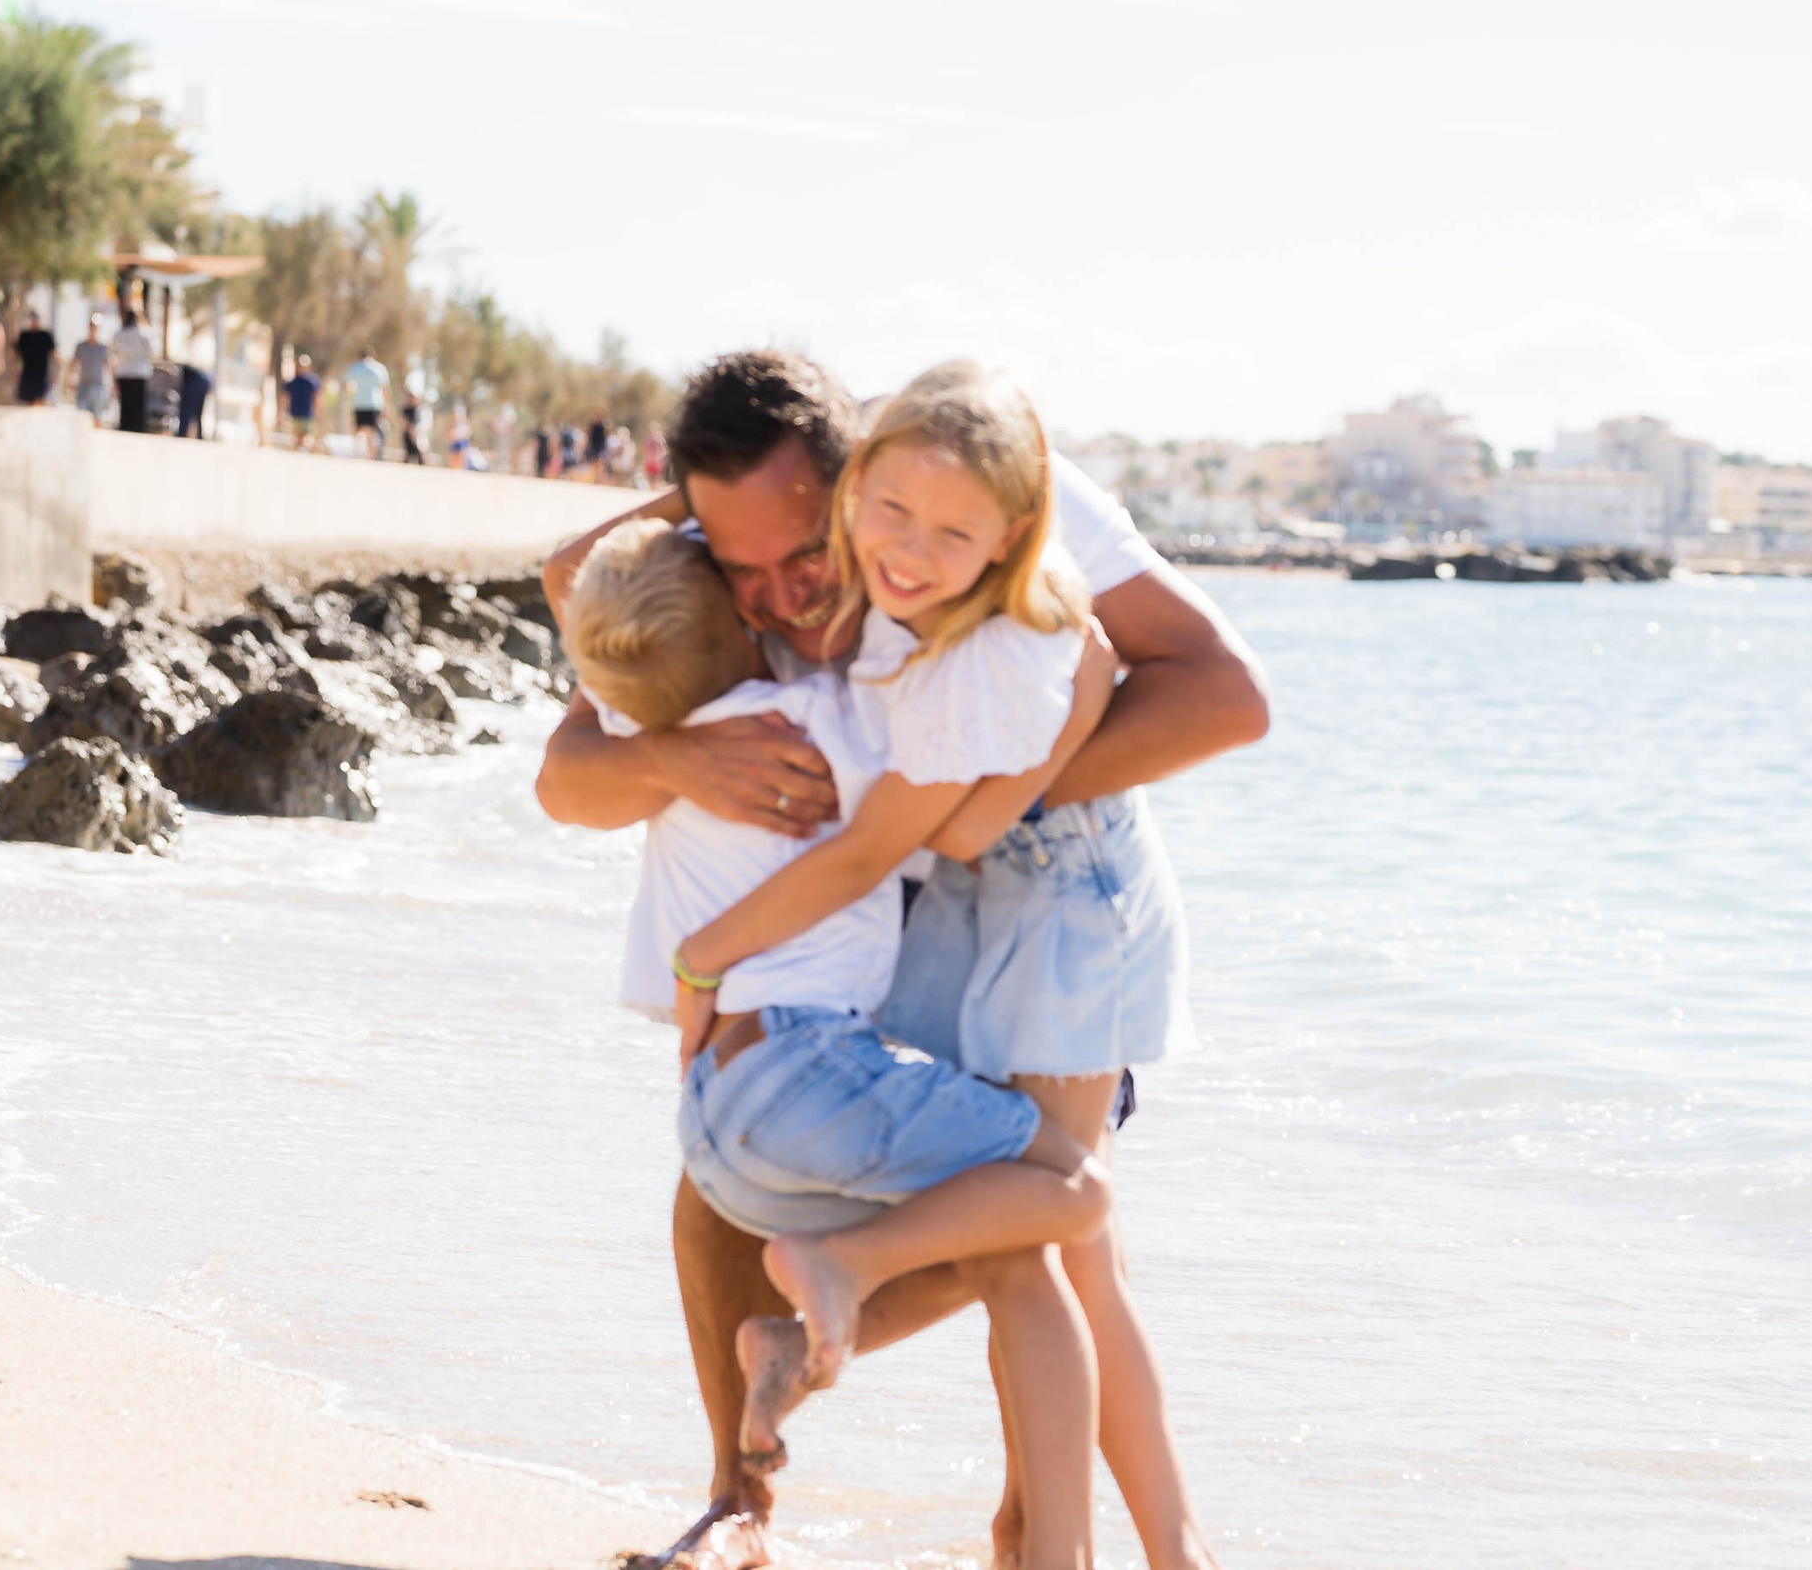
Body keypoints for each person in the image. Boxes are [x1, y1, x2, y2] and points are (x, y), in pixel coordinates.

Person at [536, 351, 1270, 1570]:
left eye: (803, 555)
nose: (779, 599)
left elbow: (1224, 697)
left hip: (1016, 879)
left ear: (849, 476)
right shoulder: (721, 559)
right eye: (741, 567)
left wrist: (974, 795)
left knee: (1047, 1224)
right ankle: (739, 1501)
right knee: (735, 1180)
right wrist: (673, 758)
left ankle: (1057, 1537)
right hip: (859, 899)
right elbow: (566, 740)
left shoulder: (991, 494)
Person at [564, 517, 1115, 1570]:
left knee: (1007, 1216)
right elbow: (954, 814)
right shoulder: (819, 726)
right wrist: (1081, 695)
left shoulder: (656, 743)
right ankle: (836, 1276)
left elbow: (569, 593)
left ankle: (803, 1329)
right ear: (744, 624)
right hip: (806, 1070)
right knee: (1073, 1191)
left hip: (713, 1114)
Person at [110, 309, 155, 432]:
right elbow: (152, 351)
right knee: (139, 405)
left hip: (123, 372)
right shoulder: (144, 333)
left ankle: (125, 427)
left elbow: (112, 352)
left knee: (125, 404)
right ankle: (138, 428)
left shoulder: (119, 334)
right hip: (140, 373)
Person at [343, 347, 390, 458]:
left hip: (359, 403)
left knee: (358, 430)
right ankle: (371, 456)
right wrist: (387, 405)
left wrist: (350, 394)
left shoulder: (355, 367)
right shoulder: (379, 368)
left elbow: (346, 386)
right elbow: (385, 389)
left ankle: (356, 454)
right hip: (374, 404)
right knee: (372, 433)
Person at [69, 316, 112, 424]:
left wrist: (112, 385)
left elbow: (108, 367)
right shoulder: (81, 346)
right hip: (83, 385)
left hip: (98, 386)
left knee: (97, 418)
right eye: (92, 327)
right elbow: (74, 364)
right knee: (82, 416)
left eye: (96, 327)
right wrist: (71, 380)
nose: (93, 329)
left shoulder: (103, 348)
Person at [13, 310, 58, 407]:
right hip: (27, 375)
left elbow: (54, 356)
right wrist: (15, 373)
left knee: (40, 401)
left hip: (42, 376)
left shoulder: (46, 336)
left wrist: (55, 375)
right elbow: (17, 357)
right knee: (28, 402)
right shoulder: (24, 336)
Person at [283, 354, 322, 453]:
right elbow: (285, 396)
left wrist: (316, 409)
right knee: (296, 436)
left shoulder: (313, 381)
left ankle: (303, 451)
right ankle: (298, 453)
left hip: (307, 412)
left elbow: (316, 397)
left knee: (306, 435)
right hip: (295, 411)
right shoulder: (292, 381)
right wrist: (282, 410)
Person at [398, 390, 429, 464]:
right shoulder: (407, 409)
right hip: (409, 435)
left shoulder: (422, 410)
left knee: (421, 454)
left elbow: (424, 424)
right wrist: (409, 429)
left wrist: (415, 431)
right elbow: (403, 422)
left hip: (419, 435)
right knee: (408, 455)